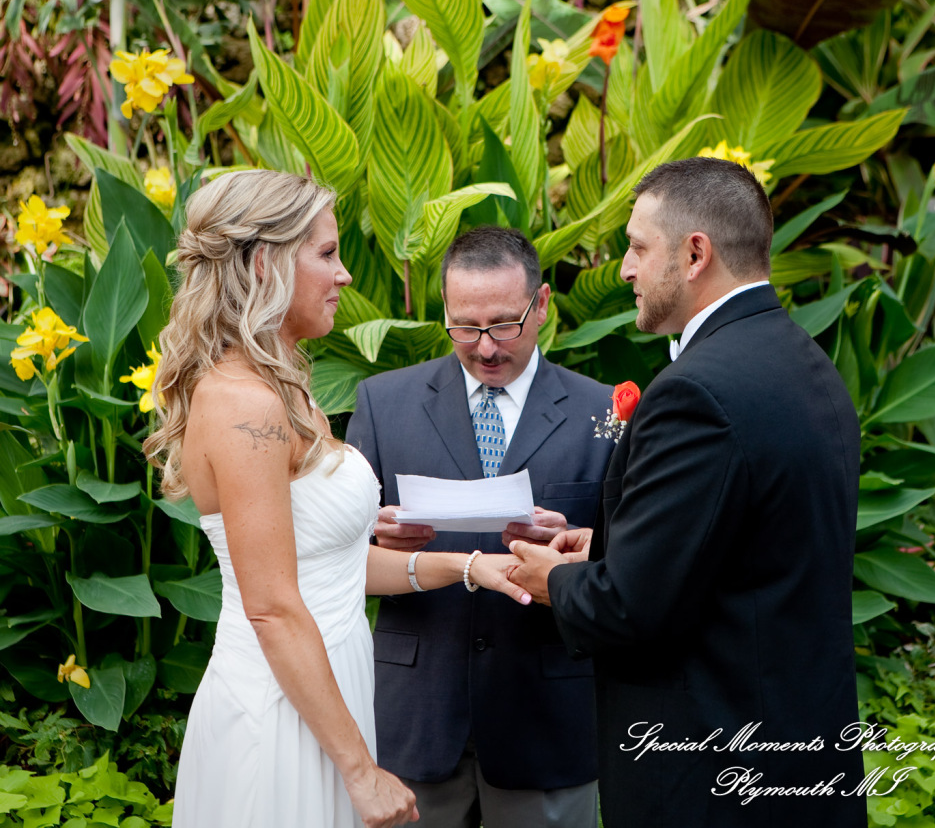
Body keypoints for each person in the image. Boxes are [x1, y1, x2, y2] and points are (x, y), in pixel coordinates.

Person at [145, 170, 524, 828]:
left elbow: (331, 566)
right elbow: (270, 607)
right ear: (265, 264)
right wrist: (358, 769)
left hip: (325, 693)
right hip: (279, 710)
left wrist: (465, 567)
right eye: (326, 254)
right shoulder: (243, 404)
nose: (345, 274)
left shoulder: (286, 386)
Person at [509, 158, 866, 828]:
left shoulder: (696, 392)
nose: (624, 269)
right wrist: (608, 546)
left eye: (639, 247)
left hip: (712, 771)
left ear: (695, 252)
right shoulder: (806, 363)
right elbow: (751, 548)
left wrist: (553, 578)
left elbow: (632, 610)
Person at [344, 226, 615, 828]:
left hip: (547, 714)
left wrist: (575, 548)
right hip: (416, 714)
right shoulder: (382, 404)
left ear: (542, 304)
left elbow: (628, 567)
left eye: (504, 325)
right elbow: (334, 564)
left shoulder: (603, 414)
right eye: (465, 328)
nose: (486, 348)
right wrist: (378, 540)